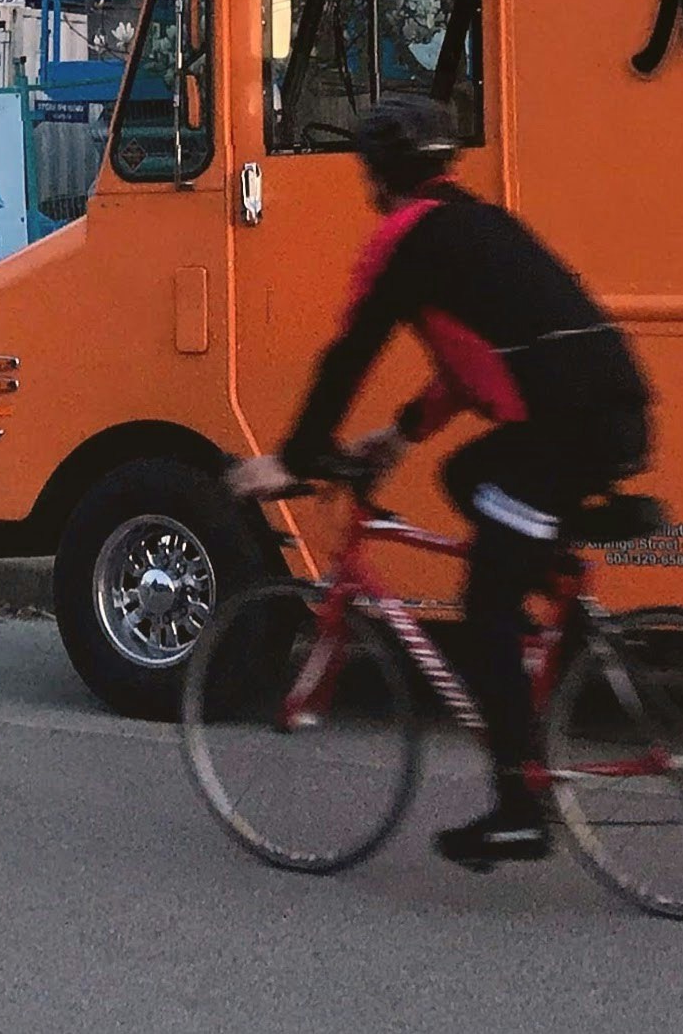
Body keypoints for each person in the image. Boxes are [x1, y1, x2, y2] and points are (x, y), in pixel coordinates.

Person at [230, 97, 652, 873]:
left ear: (375, 179)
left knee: (483, 603)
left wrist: (295, 456)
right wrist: (395, 437)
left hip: (565, 431)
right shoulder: (477, 226)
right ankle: (551, 592)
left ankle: (520, 808)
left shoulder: (404, 240)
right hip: (604, 412)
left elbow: (349, 352)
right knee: (469, 472)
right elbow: (474, 362)